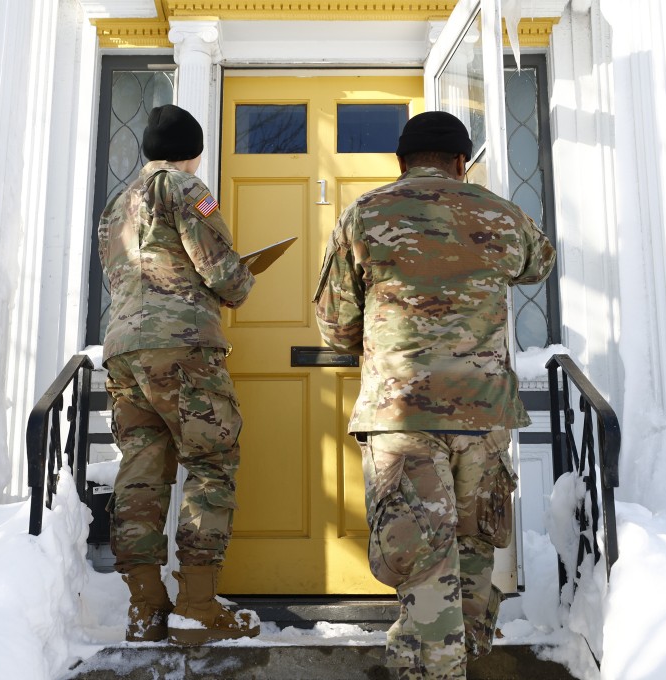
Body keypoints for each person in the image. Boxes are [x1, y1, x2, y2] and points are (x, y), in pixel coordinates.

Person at [314, 111, 556, 680]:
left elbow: (334, 322)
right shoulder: (499, 212)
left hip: (402, 417)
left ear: (401, 161)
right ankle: (463, 665)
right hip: (485, 417)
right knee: (473, 560)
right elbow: (538, 263)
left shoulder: (365, 215)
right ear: (461, 163)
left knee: (423, 568)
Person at [98, 104, 260, 646]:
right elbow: (224, 276)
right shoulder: (188, 191)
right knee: (211, 465)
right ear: (193, 152)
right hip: (182, 348)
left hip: (123, 351)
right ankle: (196, 604)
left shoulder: (115, 206)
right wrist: (245, 275)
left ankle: (145, 609)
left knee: (141, 474)